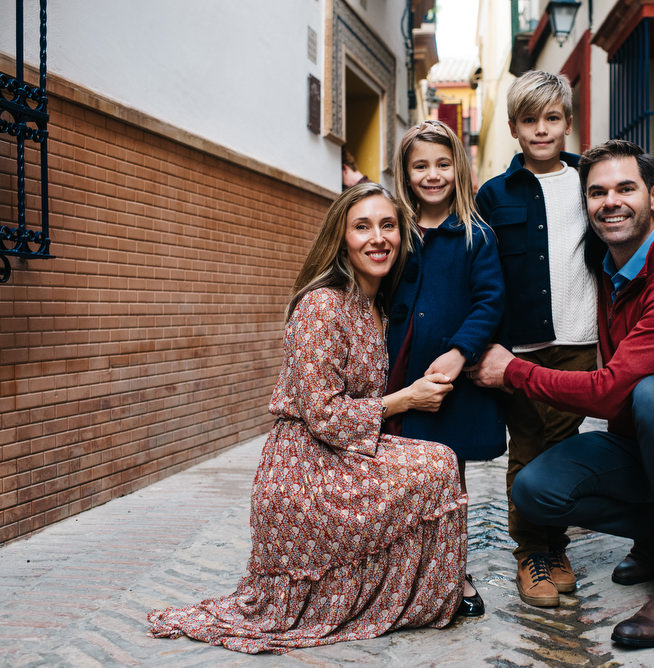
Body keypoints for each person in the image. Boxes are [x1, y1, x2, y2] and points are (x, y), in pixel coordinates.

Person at [148, 183, 475, 654]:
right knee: (437, 464)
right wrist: (406, 399)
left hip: (344, 451)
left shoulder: (377, 304)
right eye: (362, 226)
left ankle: (412, 594)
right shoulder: (322, 305)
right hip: (305, 465)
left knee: (441, 460)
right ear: (341, 237)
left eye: (387, 225)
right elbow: (322, 413)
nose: (377, 238)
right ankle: (412, 596)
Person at [468, 140, 654, 648]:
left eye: (626, 188)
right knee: (534, 489)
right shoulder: (604, 270)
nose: (611, 202)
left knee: (653, 394)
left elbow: (610, 393)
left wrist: (513, 371)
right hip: (641, 442)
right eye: (597, 192)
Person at [474, 71, 601, 608]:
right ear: (513, 128)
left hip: (580, 341)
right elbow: (482, 272)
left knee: (563, 449)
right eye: (530, 120)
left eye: (552, 118)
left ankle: (555, 543)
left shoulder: (589, 180)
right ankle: (532, 553)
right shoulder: (493, 194)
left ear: (568, 122)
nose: (542, 130)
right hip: (518, 349)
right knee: (527, 449)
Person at [385, 119, 506, 616]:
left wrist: (460, 353)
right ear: (405, 172)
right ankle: (401, 570)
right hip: (399, 370)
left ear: (458, 168)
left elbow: (490, 301)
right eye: (420, 166)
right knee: (398, 472)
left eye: (442, 164)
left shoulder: (477, 234)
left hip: (449, 380)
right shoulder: (394, 230)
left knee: (447, 476)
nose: (432, 175)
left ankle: (452, 570)